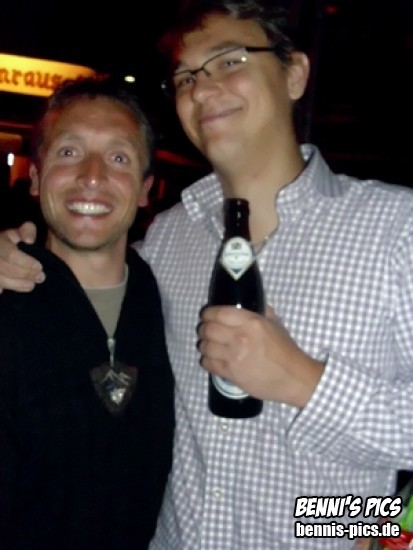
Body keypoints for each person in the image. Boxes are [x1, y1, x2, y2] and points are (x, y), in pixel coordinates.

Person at [1, 1, 413, 548]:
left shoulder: (395, 229)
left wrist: (305, 384)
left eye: (230, 61)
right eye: (186, 77)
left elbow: (378, 515)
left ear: (294, 74)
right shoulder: (168, 240)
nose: (202, 89)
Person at [0, 77, 174, 549]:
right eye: (69, 152)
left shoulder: (169, 294)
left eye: (119, 158)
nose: (92, 175)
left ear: (145, 188)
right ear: (36, 177)